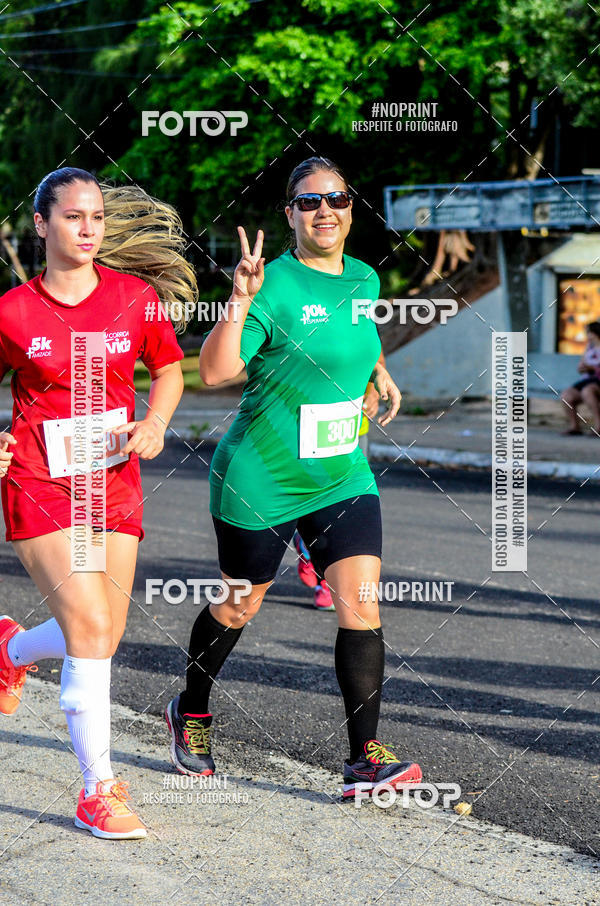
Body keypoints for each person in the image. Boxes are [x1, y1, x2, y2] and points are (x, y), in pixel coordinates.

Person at [166, 156, 422, 799]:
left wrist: (376, 372)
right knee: (240, 603)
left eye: (335, 198)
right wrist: (240, 300)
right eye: (309, 202)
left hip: (342, 473)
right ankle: (191, 709)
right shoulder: (273, 283)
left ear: (350, 208)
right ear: (290, 214)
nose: (324, 211)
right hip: (262, 474)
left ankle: (365, 757)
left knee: (362, 605)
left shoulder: (364, 277)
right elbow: (217, 372)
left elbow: (357, 335)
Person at [0, 167, 194, 839]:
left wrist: (156, 424)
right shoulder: (13, 311)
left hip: (111, 483)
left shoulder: (135, 298)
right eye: (74, 217)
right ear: (42, 224)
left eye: (97, 218)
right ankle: (97, 790)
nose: (88, 229)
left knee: (104, 633)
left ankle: (14, 649)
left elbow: (168, 371)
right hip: (40, 481)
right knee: (88, 628)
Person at [292, 353, 386, 611]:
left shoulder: (357, 311)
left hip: (351, 429)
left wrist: (374, 391)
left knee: (346, 510)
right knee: (314, 505)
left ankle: (325, 580)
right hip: (304, 426)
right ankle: (308, 545)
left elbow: (373, 351)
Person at [560, 321, 600, 435]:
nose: (587, 335)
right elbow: (581, 366)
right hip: (587, 380)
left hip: (597, 381)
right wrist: (584, 368)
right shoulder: (589, 347)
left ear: (594, 332)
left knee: (587, 391)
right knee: (566, 395)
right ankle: (574, 426)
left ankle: (598, 427)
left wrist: (592, 368)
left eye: (588, 332)